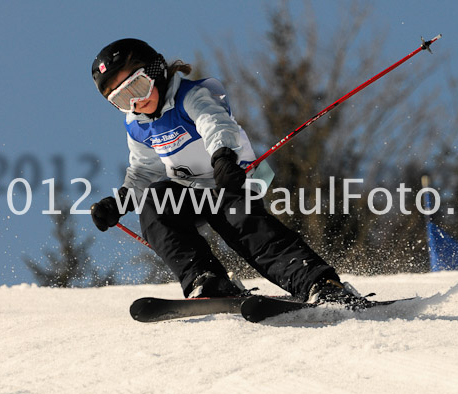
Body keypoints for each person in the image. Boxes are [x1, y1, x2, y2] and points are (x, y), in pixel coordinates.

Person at [89, 38, 366, 306]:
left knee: (244, 228)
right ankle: (207, 280)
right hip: (190, 192)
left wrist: (223, 159)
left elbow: (215, 124)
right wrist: (119, 202)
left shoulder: (191, 96)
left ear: (155, 70)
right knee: (154, 203)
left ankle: (319, 283)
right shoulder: (137, 125)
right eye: (122, 99)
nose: (135, 102)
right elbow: (144, 169)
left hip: (230, 178)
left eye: (137, 86)